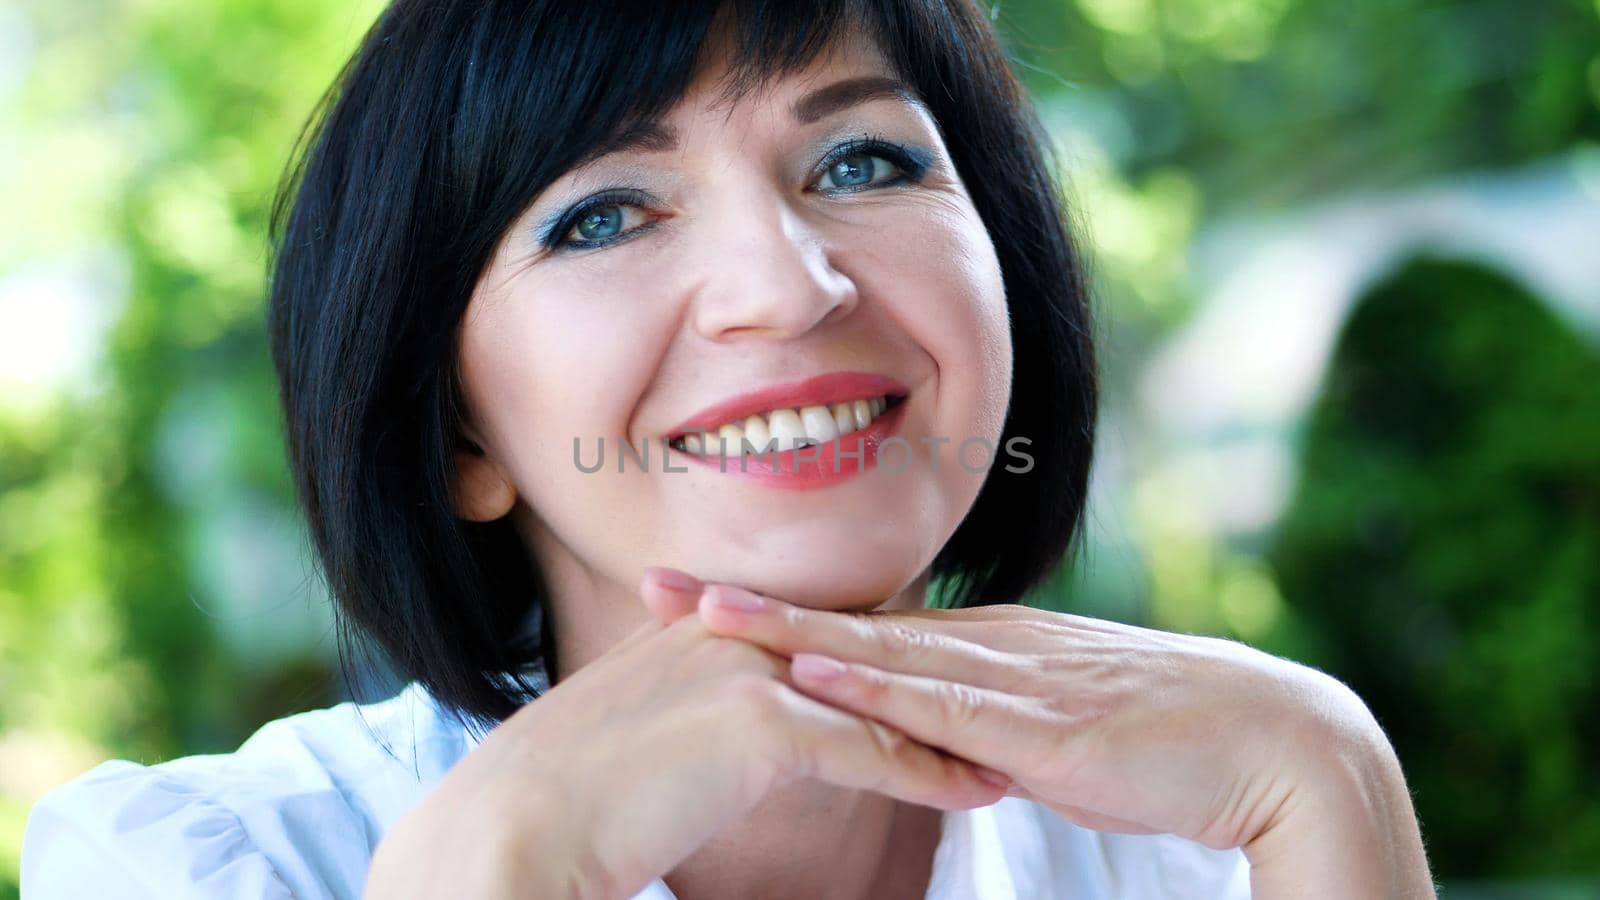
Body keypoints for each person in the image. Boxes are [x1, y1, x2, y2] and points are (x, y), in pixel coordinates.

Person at [19, 1, 1438, 897]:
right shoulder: (201, 868)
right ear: (457, 432)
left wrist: (1336, 783)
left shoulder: (1210, 845)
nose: (787, 283)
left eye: (862, 161)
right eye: (604, 214)